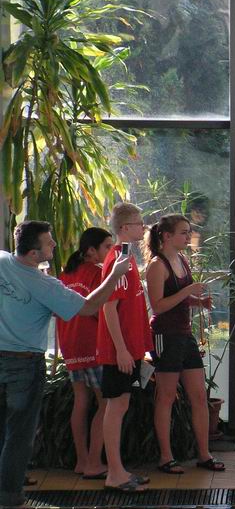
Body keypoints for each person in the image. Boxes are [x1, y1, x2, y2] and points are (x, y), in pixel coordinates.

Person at [0, 220, 130, 507]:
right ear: (33, 254)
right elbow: (90, 306)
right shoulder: (44, 285)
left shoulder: (2, 261)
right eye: (49, 242)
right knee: (19, 432)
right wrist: (115, 274)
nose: (55, 245)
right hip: (24, 363)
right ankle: (9, 496)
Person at [144, 214, 225, 474]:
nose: (188, 236)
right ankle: (165, 457)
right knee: (166, 396)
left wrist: (198, 302)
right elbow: (158, 306)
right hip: (165, 335)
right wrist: (188, 292)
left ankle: (204, 453)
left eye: (189, 231)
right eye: (183, 232)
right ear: (167, 236)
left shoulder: (182, 260)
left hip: (184, 334)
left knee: (199, 395)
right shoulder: (157, 265)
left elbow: (178, 299)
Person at [96, 202, 153, 493]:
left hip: (129, 348)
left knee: (121, 404)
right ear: (124, 228)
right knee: (116, 405)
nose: (143, 228)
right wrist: (120, 349)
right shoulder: (117, 259)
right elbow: (109, 307)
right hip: (119, 349)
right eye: (139, 223)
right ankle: (114, 473)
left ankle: (118, 469)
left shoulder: (128, 258)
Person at [56, 227, 114, 480]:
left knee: (81, 400)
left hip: (70, 344)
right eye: (107, 247)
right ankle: (94, 462)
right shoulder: (98, 274)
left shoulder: (65, 274)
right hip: (92, 345)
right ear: (91, 250)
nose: (111, 251)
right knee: (106, 403)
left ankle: (81, 461)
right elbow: (101, 311)